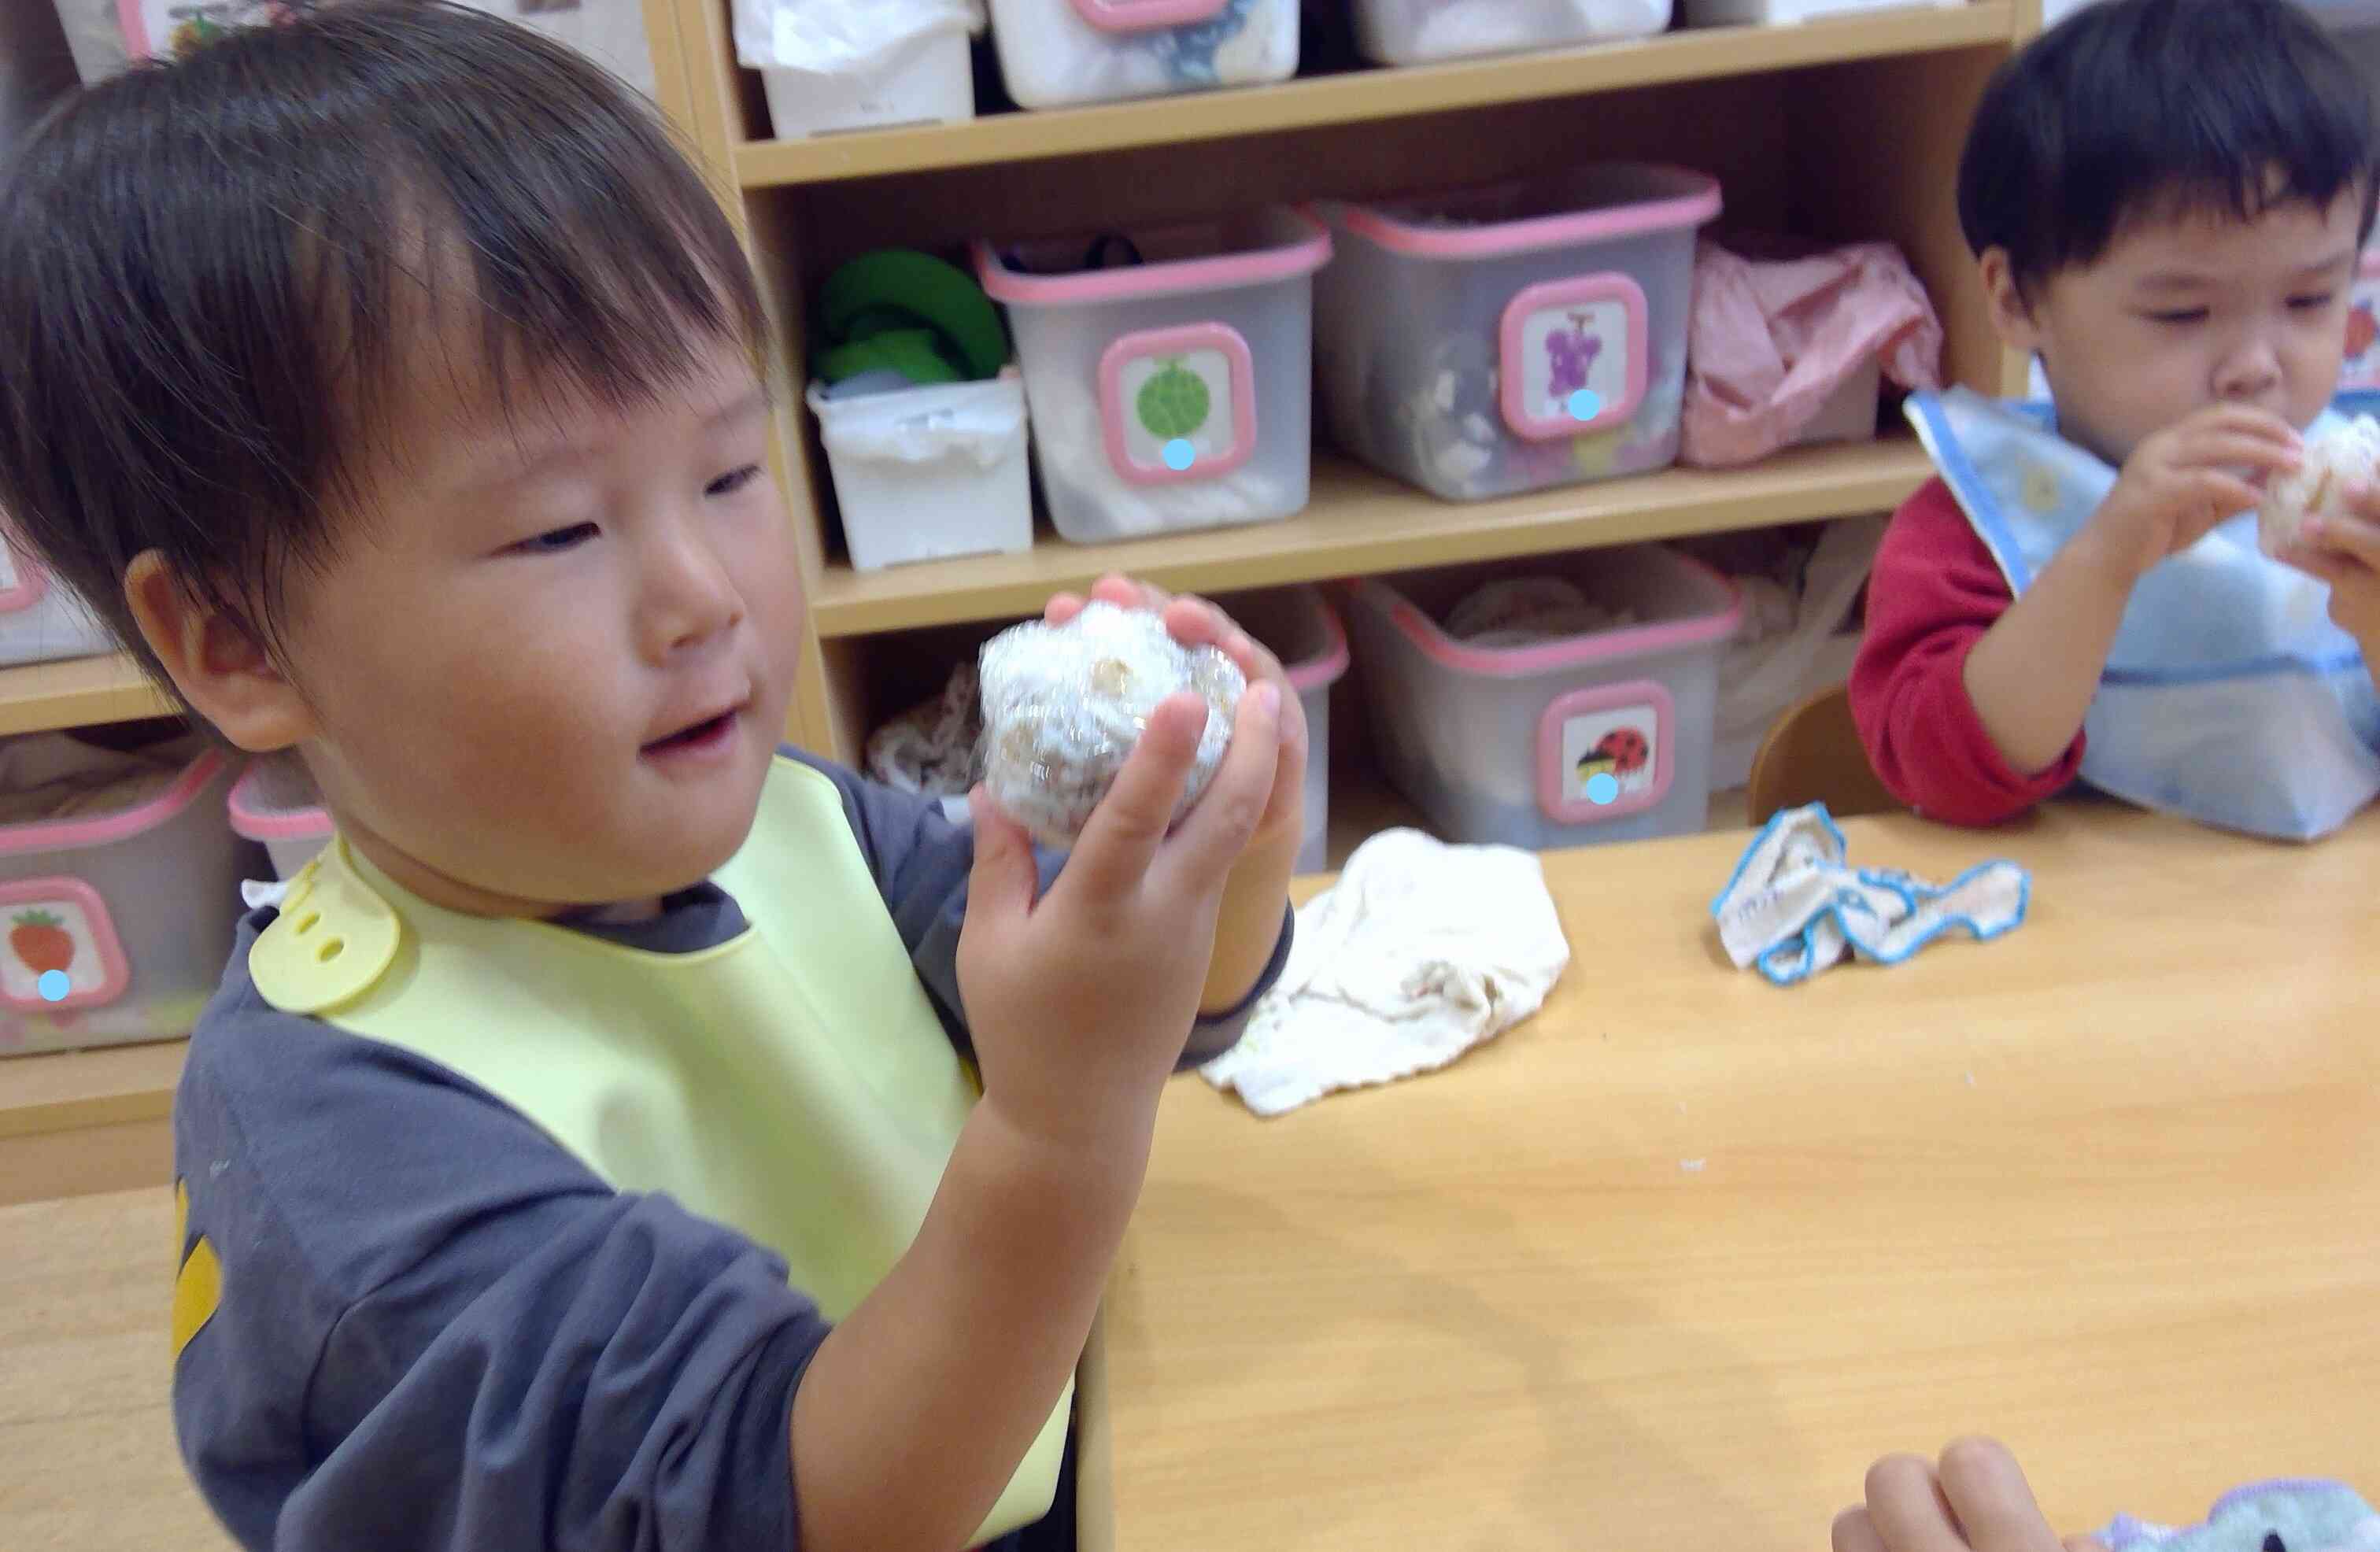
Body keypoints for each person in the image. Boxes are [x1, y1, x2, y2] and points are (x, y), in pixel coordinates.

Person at [0, 6, 1301, 1549]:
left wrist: (1225, 855)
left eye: (731, 471)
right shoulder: (352, 1153)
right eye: (559, 528)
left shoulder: (798, 830)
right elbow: (800, 1509)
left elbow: (1126, 1012)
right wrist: (1061, 1129)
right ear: (234, 638)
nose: (705, 592)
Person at [1850, 0, 2380, 841]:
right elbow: (1941, 771)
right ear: (2017, 300)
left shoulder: (2364, 492)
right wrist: (2101, 561)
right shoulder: (1982, 523)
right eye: (2181, 313)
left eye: (2309, 299)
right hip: (2087, 951)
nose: (2255, 364)